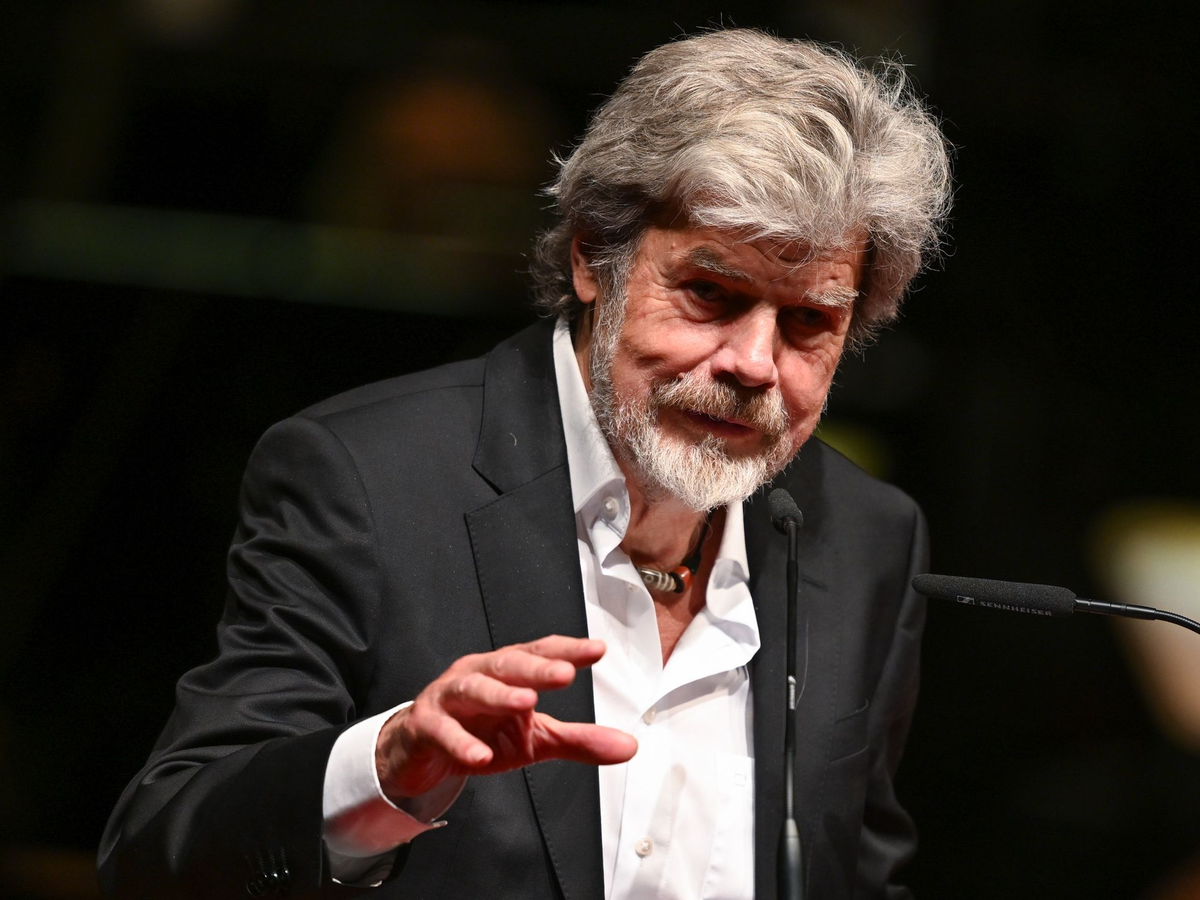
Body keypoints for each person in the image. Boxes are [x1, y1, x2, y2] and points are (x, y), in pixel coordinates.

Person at [98, 28, 950, 900]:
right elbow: (159, 850)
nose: (755, 364)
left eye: (808, 322)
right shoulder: (366, 480)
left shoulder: (869, 540)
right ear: (593, 256)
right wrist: (383, 770)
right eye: (710, 293)